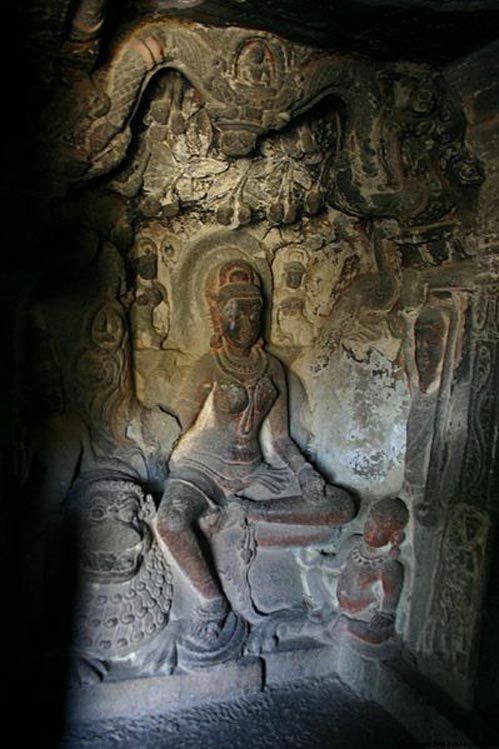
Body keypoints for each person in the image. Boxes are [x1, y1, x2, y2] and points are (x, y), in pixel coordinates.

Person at [156, 259, 355, 645]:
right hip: (201, 470)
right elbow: (177, 426)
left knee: (341, 505)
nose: (246, 320)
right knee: (170, 523)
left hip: (256, 474)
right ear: (218, 317)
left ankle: (245, 514)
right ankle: (213, 602)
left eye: (254, 310)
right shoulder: (207, 366)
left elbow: (280, 440)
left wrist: (304, 473)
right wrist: (154, 463)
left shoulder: (272, 369)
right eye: (236, 311)